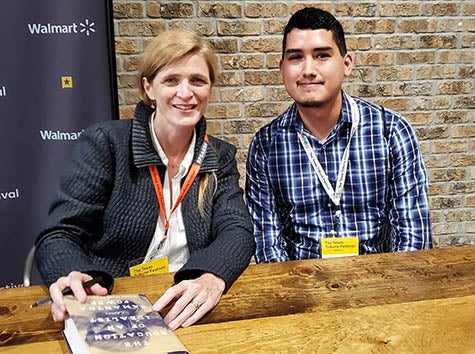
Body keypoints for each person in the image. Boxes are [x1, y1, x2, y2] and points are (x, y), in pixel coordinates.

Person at [34, 29, 255, 330]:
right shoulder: (105, 144)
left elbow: (237, 231)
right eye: (171, 80)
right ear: (148, 87)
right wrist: (74, 272)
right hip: (113, 305)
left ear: (210, 88)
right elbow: (60, 233)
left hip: (185, 302)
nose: (186, 92)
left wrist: (212, 277)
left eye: (198, 80)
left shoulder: (218, 155)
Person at [245, 7, 432, 263]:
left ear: (346, 64)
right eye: (296, 57)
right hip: (301, 288)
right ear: (282, 69)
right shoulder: (266, 145)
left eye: (322, 55)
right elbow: (268, 243)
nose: (308, 69)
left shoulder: (391, 131)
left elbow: (413, 236)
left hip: (380, 283)